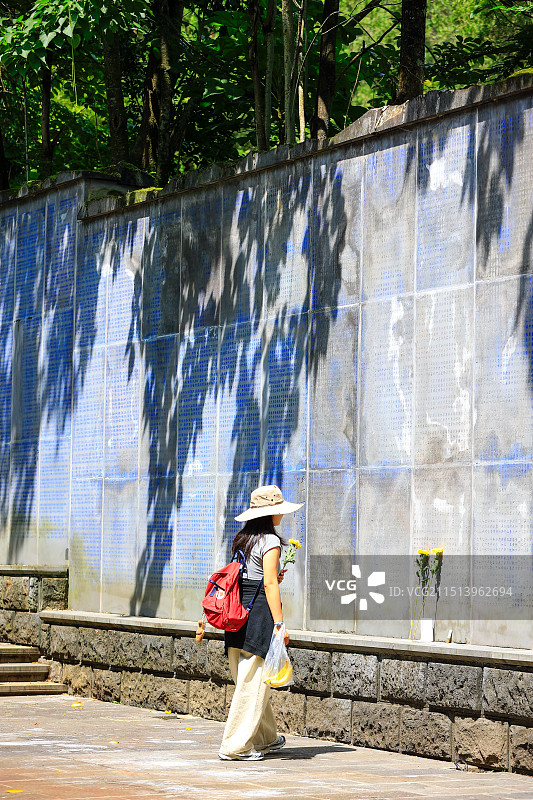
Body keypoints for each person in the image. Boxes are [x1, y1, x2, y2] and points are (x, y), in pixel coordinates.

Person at [218, 484, 303, 761]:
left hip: (235, 612)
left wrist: (271, 580)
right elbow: (268, 583)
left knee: (252, 679)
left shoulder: (243, 538)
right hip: (258, 615)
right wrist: (279, 624)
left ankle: (265, 738)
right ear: (271, 514)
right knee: (253, 683)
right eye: (278, 510)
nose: (282, 515)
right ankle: (235, 746)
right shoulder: (271, 541)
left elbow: (251, 577)